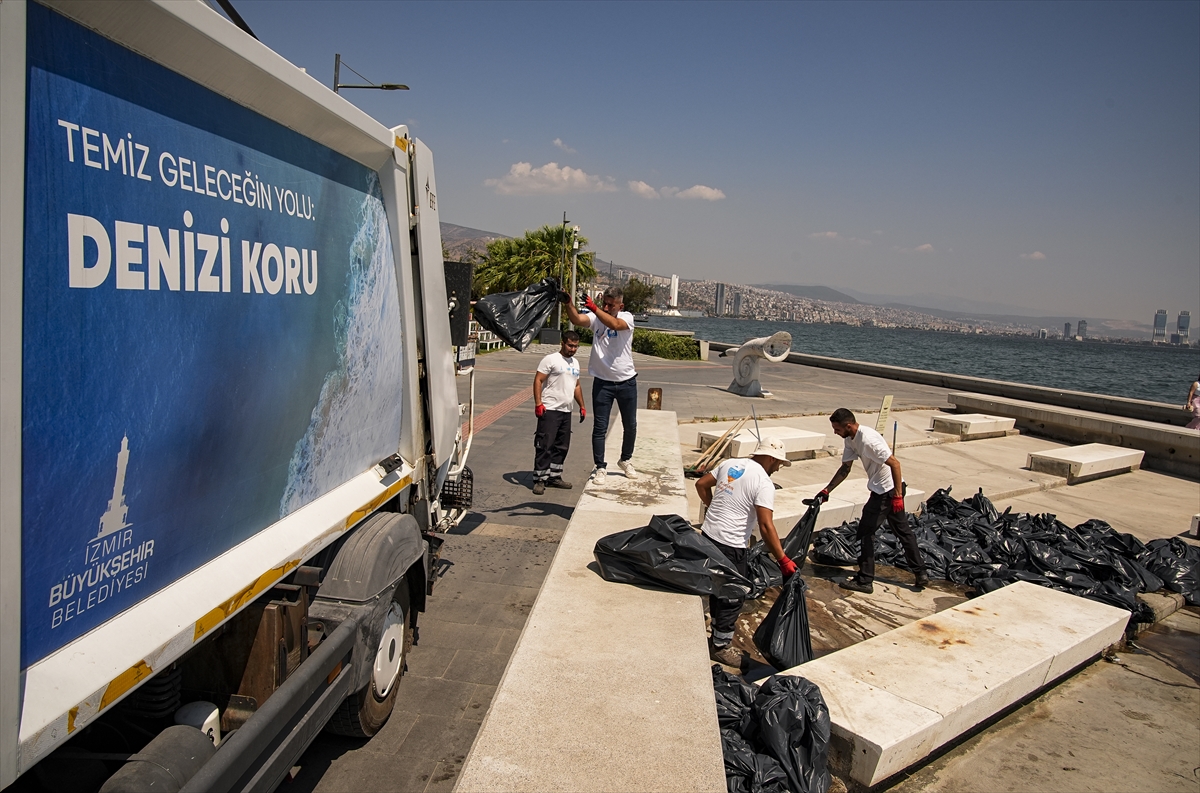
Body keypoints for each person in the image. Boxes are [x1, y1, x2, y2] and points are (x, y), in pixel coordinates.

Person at [696, 437, 799, 669]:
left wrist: (713, 508)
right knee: (733, 596)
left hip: (709, 536)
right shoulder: (763, 482)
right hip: (731, 545)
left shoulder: (729, 464)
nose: (779, 467)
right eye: (779, 463)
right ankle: (720, 647)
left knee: (714, 585)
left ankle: (710, 624)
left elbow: (701, 485)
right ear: (771, 458)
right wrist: (782, 559)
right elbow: (766, 525)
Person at [815, 407, 928, 594]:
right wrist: (828, 489)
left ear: (848, 426)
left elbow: (895, 464)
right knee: (903, 532)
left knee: (865, 533)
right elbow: (845, 469)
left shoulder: (868, 440)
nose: (835, 433)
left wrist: (898, 496)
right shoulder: (850, 439)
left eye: (837, 429)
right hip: (885, 491)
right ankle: (921, 573)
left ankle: (865, 580)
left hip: (887, 491)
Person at [562, 286, 638, 485]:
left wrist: (596, 309)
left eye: (610, 305)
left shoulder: (627, 317)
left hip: (626, 381)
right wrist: (568, 303)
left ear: (620, 306)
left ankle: (626, 459)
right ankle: (600, 467)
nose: (606, 307)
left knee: (630, 425)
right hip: (602, 383)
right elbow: (577, 320)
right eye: (604, 302)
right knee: (599, 427)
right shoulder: (596, 318)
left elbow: (615, 325)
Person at [531, 331, 586, 495]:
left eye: (576, 346)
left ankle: (554, 476)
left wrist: (582, 406)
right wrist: (538, 403)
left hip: (566, 410)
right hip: (550, 409)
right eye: (570, 345)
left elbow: (576, 385)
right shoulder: (551, 359)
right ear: (563, 343)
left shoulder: (575, 363)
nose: (573, 349)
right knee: (545, 445)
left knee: (562, 446)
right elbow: (538, 380)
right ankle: (540, 479)